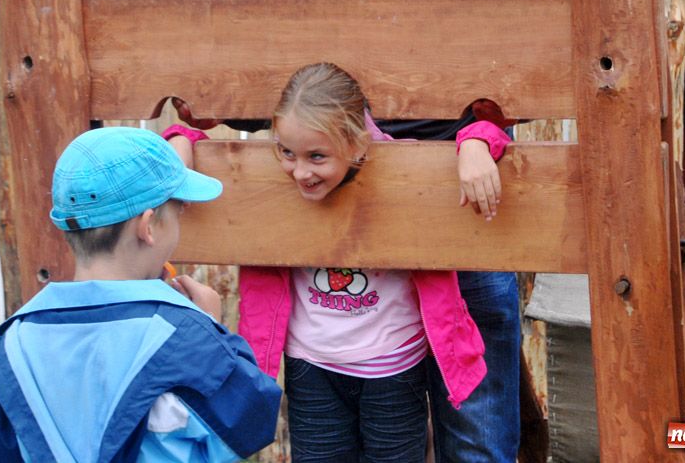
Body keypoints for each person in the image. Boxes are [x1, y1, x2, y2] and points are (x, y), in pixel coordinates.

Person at [263, 0, 532, 462]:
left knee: (475, 418)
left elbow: (519, 81)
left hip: (454, 192)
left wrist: (476, 134)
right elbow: (269, 84)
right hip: (343, 200)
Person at [165, 62, 511, 463]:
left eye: (317, 156)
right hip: (312, 369)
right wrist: (181, 137)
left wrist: (476, 143)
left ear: (360, 146)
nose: (300, 172)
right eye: (286, 152)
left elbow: (488, 129)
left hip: (395, 370)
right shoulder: (277, 181)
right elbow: (197, 150)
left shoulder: (403, 168)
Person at [0, 126, 282, 463]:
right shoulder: (186, 335)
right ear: (148, 227)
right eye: (178, 212)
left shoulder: (14, 341)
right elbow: (251, 420)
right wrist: (211, 327)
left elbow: (3, 450)